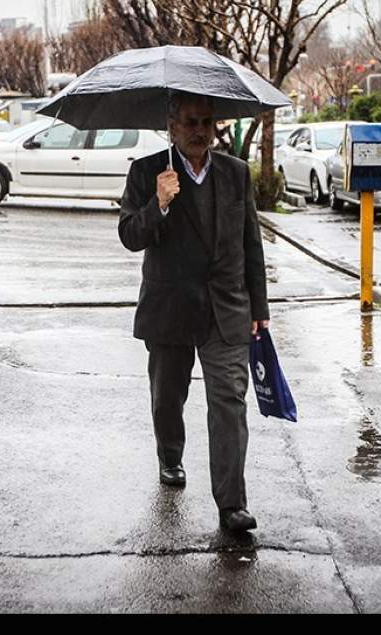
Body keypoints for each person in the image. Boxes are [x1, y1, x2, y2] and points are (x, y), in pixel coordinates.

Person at [118, 91, 270, 532]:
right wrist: (159, 204)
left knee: (229, 403)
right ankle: (171, 456)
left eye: (206, 121)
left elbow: (250, 244)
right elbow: (129, 235)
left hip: (227, 310)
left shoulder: (235, 172)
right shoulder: (147, 172)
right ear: (172, 125)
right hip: (170, 309)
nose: (200, 130)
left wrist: (258, 306)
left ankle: (232, 504)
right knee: (168, 398)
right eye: (190, 122)